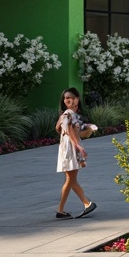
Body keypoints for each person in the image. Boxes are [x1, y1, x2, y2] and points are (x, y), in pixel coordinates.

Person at [55, 87, 96, 219]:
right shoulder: (68, 114)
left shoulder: (70, 114)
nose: (68, 100)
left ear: (77, 99)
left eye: (70, 97)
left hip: (68, 146)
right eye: (66, 98)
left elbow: (61, 128)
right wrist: (78, 145)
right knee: (70, 178)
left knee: (70, 179)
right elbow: (70, 130)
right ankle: (86, 203)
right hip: (70, 148)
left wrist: (88, 127)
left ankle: (60, 210)